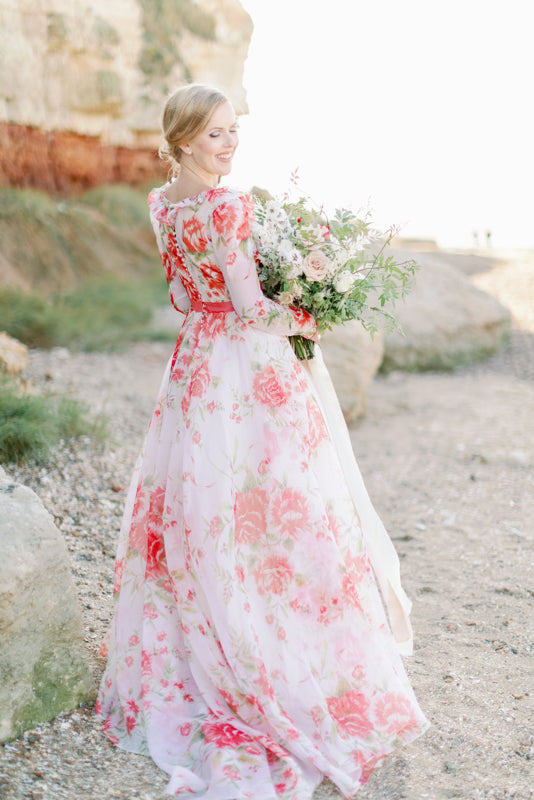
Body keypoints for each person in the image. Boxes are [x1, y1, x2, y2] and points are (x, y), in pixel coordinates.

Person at [96, 83, 429, 799]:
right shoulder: (227, 204)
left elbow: (186, 299)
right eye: (216, 134)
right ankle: (274, 641)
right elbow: (250, 308)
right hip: (245, 370)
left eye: (234, 130)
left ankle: (203, 625)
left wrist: (248, 294)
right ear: (183, 140)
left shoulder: (162, 205)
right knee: (279, 500)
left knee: (204, 503)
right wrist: (307, 315)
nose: (230, 142)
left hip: (193, 367)